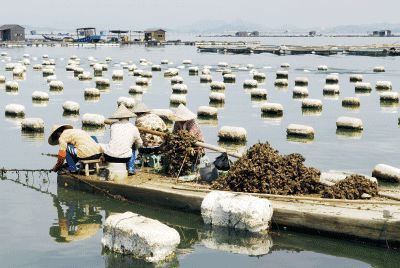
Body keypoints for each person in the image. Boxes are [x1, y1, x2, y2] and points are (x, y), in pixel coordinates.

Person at [102, 105, 143, 175]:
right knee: (133, 146)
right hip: (124, 158)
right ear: (128, 117)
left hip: (109, 156)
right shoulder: (134, 128)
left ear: (118, 117)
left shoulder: (113, 126)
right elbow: (140, 144)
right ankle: (130, 168)